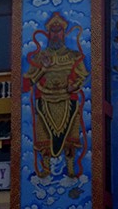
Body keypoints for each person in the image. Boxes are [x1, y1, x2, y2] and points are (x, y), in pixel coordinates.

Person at [23, 12, 89, 178]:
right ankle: (45, 167)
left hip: (67, 99)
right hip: (45, 99)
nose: (55, 34)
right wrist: (43, 69)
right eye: (52, 31)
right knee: (43, 133)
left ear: (64, 33)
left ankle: (71, 167)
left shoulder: (73, 56)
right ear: (48, 33)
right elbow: (28, 81)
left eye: (59, 31)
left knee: (71, 134)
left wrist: (74, 86)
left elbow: (82, 76)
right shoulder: (40, 56)